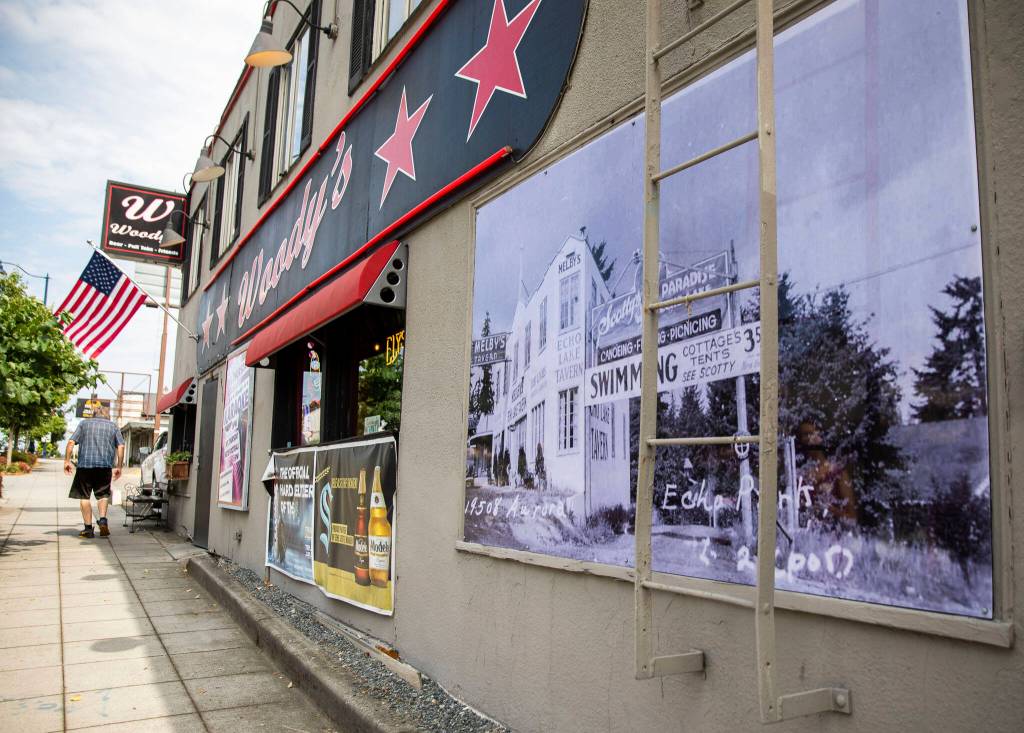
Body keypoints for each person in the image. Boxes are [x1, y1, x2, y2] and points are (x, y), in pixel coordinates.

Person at [64, 404, 124, 538]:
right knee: (103, 495)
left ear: (93, 414)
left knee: (84, 497)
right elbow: (120, 446)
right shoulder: (113, 426)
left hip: (85, 466)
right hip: (104, 467)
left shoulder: (84, 424)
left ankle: (88, 529)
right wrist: (119, 466)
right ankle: (102, 520)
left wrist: (67, 461)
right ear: (107, 415)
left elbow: (70, 443)